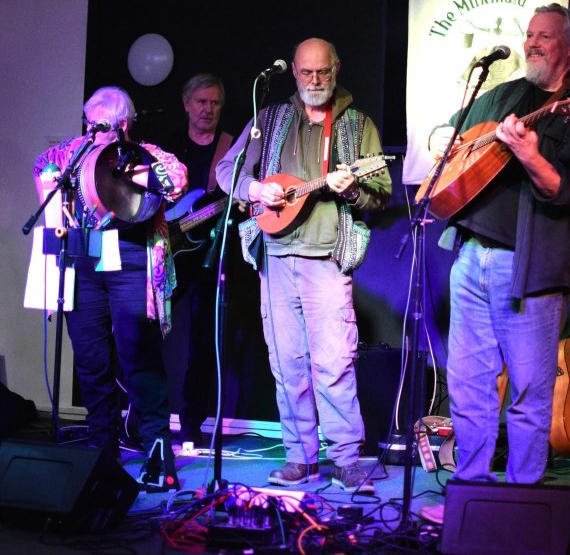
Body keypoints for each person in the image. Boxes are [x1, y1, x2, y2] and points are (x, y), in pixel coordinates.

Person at [424, 4, 570, 499]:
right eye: (529, 34)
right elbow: (451, 132)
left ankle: (523, 499)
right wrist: (444, 139)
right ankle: (470, 488)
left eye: (544, 36)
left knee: (529, 393)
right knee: (468, 385)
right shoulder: (507, 93)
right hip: (471, 257)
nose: (532, 43)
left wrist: (529, 153)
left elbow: (566, 191)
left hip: (530, 269)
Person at [215, 38, 391, 493]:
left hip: (327, 260)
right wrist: (256, 190)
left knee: (334, 364)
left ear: (337, 68)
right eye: (307, 72)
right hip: (274, 259)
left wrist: (352, 189)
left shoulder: (356, 125)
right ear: (293, 71)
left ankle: (346, 459)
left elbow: (381, 193)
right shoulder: (270, 118)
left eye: (323, 72)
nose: (315, 81)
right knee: (287, 365)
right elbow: (227, 171)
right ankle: (300, 457)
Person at [33, 86, 188, 491]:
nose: (95, 131)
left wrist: (134, 172)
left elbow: (177, 178)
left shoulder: (143, 152)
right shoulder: (73, 153)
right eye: (91, 124)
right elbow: (43, 165)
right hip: (84, 262)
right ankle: (102, 448)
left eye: (104, 125)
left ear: (124, 125)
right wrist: (57, 205)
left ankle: (157, 450)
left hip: (131, 259)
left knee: (138, 355)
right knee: (90, 358)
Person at [159, 73, 234, 450]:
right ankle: (148, 418)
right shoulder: (167, 147)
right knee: (151, 333)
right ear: (187, 104)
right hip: (168, 253)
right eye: (202, 102)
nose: (208, 109)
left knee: (203, 342)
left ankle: (192, 423)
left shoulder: (230, 148)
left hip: (210, 257)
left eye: (215, 103)